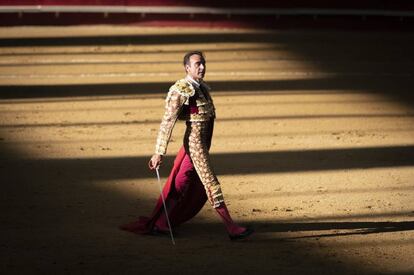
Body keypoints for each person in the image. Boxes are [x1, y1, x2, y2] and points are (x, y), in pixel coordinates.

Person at [120, 51, 253, 241]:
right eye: (197, 64)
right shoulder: (181, 89)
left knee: (181, 182)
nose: (202, 67)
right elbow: (168, 121)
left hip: (200, 144)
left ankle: (161, 223)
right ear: (187, 68)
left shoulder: (202, 88)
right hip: (195, 145)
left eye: (203, 63)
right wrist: (159, 152)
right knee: (211, 183)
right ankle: (231, 228)